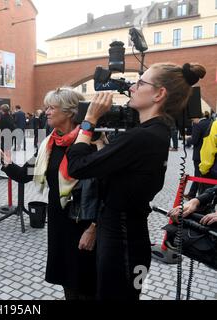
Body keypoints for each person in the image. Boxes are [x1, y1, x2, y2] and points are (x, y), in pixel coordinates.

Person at [67, 62, 206, 300]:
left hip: (120, 245)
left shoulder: (142, 136)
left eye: (140, 83)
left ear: (159, 94)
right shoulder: (158, 132)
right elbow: (124, 173)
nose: (132, 88)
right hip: (132, 238)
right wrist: (104, 147)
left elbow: (77, 166)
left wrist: (89, 121)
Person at [0, 87, 99, 300]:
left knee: (85, 281)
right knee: (66, 278)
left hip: (84, 222)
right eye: (47, 107)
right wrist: (5, 161)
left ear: (69, 112)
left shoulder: (92, 142)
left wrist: (94, 227)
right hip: (59, 220)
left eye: (52, 107)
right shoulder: (49, 143)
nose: (46, 112)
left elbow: (104, 190)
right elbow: (24, 175)